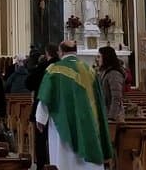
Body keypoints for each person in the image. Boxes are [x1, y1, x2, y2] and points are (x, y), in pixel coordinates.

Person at [35, 40, 113, 170]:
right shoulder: (90, 71)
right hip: (88, 121)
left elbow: (45, 97)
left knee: (64, 156)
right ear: (75, 52)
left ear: (61, 52)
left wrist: (40, 118)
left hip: (63, 122)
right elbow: (99, 101)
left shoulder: (54, 70)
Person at [25, 44, 60, 166]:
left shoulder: (43, 67)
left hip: (42, 107)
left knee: (41, 140)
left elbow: (29, 83)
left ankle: (42, 165)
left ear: (47, 54)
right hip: (59, 109)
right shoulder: (63, 68)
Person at [98, 46, 126, 122]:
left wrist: (111, 117)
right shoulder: (106, 72)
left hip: (113, 116)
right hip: (106, 112)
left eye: (100, 57)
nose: (98, 59)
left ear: (106, 57)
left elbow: (116, 97)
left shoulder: (114, 74)